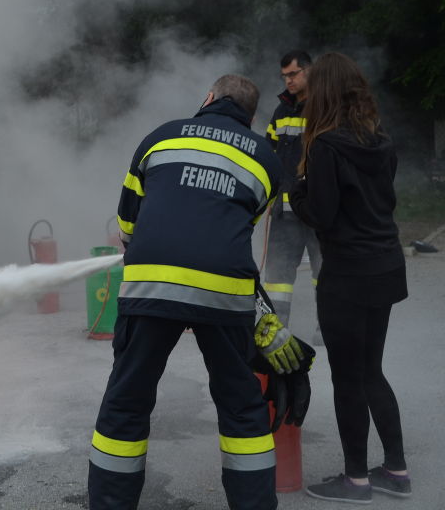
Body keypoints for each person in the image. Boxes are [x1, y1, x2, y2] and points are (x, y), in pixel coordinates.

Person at [88, 75, 285, 510]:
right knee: (241, 406)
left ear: (209, 98)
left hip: (152, 283)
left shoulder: (159, 137)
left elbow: (127, 223)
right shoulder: (265, 157)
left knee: (127, 400)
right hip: (224, 289)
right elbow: (240, 224)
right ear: (250, 117)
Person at [289, 52, 411, 504]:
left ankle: (356, 480)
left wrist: (296, 192)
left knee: (347, 377)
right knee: (372, 370)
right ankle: (396, 470)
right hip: (385, 265)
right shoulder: (380, 140)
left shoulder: (325, 147)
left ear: (323, 92)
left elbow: (321, 214)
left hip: (346, 273)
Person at [264, 51, 323, 341]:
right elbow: (267, 154)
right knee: (277, 277)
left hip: (319, 209)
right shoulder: (281, 111)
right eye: (284, 76)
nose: (288, 80)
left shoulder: (325, 107)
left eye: (293, 74)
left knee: (324, 269)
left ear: (309, 71)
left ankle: (326, 328)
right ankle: (276, 329)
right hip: (284, 212)